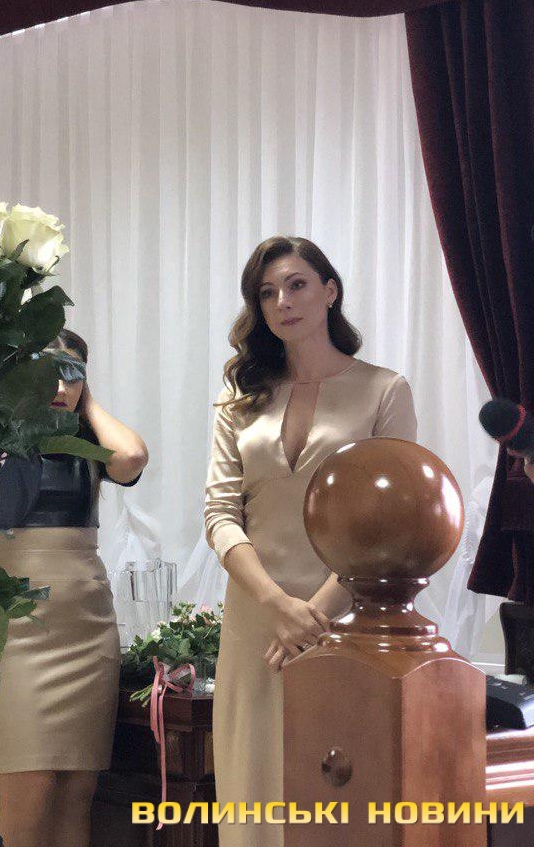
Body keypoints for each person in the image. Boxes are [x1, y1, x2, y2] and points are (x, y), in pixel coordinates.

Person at [203, 236, 416, 847]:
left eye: (296, 284)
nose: (282, 302)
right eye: (267, 292)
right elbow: (219, 513)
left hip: (349, 618)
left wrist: (316, 614)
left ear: (330, 291)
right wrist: (277, 606)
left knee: (337, 795)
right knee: (252, 793)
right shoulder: (240, 397)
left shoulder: (385, 391)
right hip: (256, 618)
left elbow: (393, 521)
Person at [0, 329, 148, 847]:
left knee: (79, 792)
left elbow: (132, 456)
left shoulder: (89, 448)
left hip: (86, 626)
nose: (60, 385)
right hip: (14, 627)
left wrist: (85, 400)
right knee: (28, 791)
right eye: (45, 371)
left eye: (72, 373)